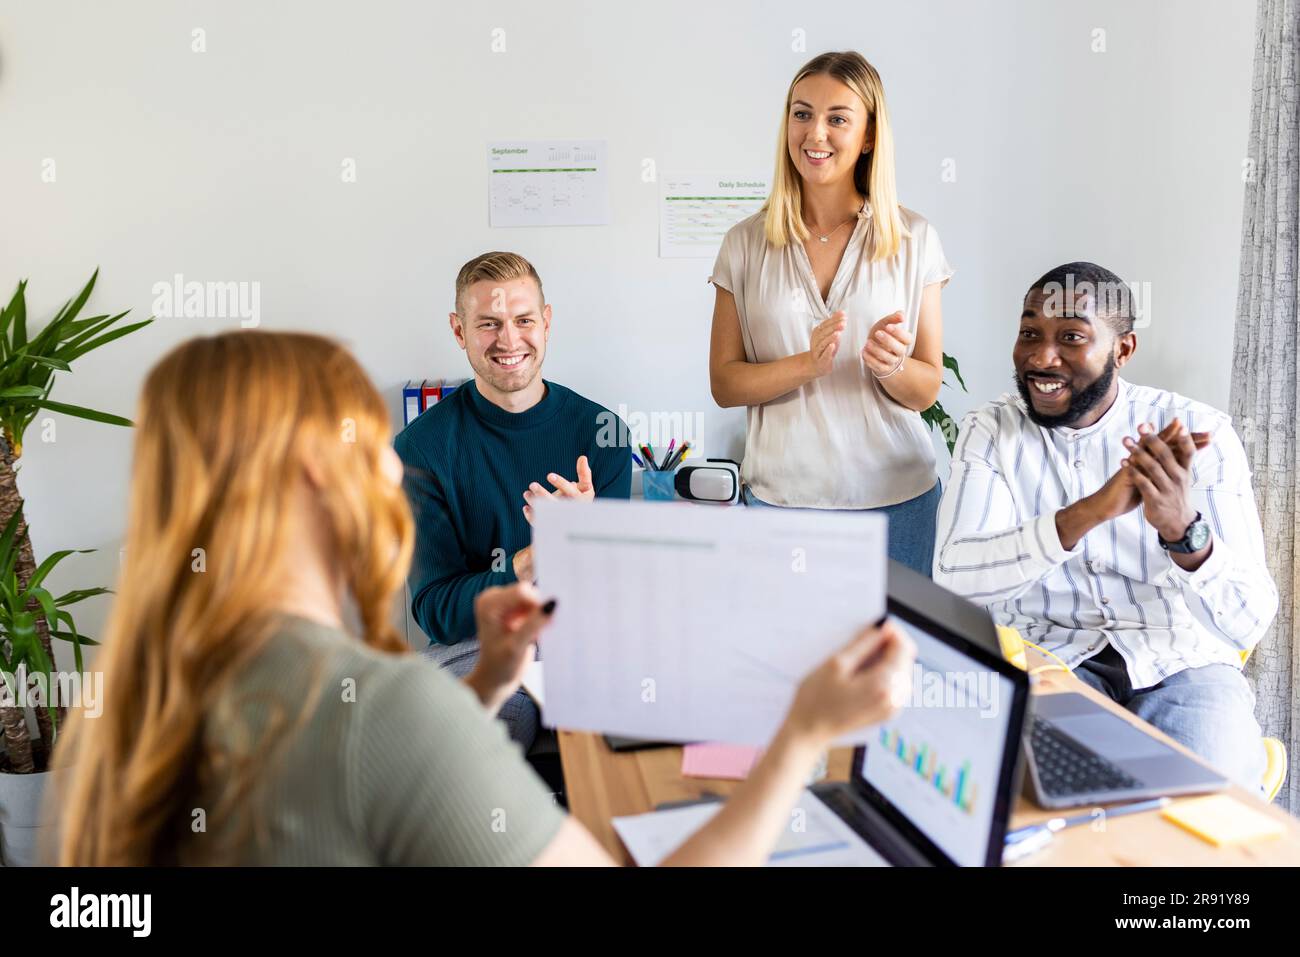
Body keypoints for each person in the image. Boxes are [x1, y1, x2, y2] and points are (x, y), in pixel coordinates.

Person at [53, 330, 915, 865]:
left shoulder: (118, 698)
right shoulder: (376, 709)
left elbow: (366, 796)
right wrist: (801, 733)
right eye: (367, 443)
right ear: (321, 469)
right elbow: (379, 747)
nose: (391, 467)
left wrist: (487, 686)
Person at [933, 262, 1276, 789]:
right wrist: (1087, 513)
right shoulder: (990, 431)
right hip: (1049, 654)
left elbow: (1249, 620)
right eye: (1030, 334)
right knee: (1030, 797)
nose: (1043, 357)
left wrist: (1184, 533)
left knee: (1206, 798)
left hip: (1180, 659)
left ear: (1123, 350)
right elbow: (956, 580)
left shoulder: (1199, 431)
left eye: (1072, 337)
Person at [708, 50, 953, 576]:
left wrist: (891, 367)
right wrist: (805, 364)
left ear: (868, 136)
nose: (814, 133)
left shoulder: (915, 239)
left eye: (837, 118)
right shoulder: (744, 244)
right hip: (781, 505)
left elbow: (927, 386)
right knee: (786, 659)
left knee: (894, 660)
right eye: (802, 114)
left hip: (897, 506)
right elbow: (725, 384)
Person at [395, 251, 631, 748]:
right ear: (459, 332)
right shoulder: (422, 448)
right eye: (488, 324)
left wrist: (583, 545)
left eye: (523, 320)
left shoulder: (601, 432)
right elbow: (436, 611)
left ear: (545, 323)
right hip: (482, 649)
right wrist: (525, 566)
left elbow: (618, 599)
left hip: (584, 648)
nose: (508, 340)